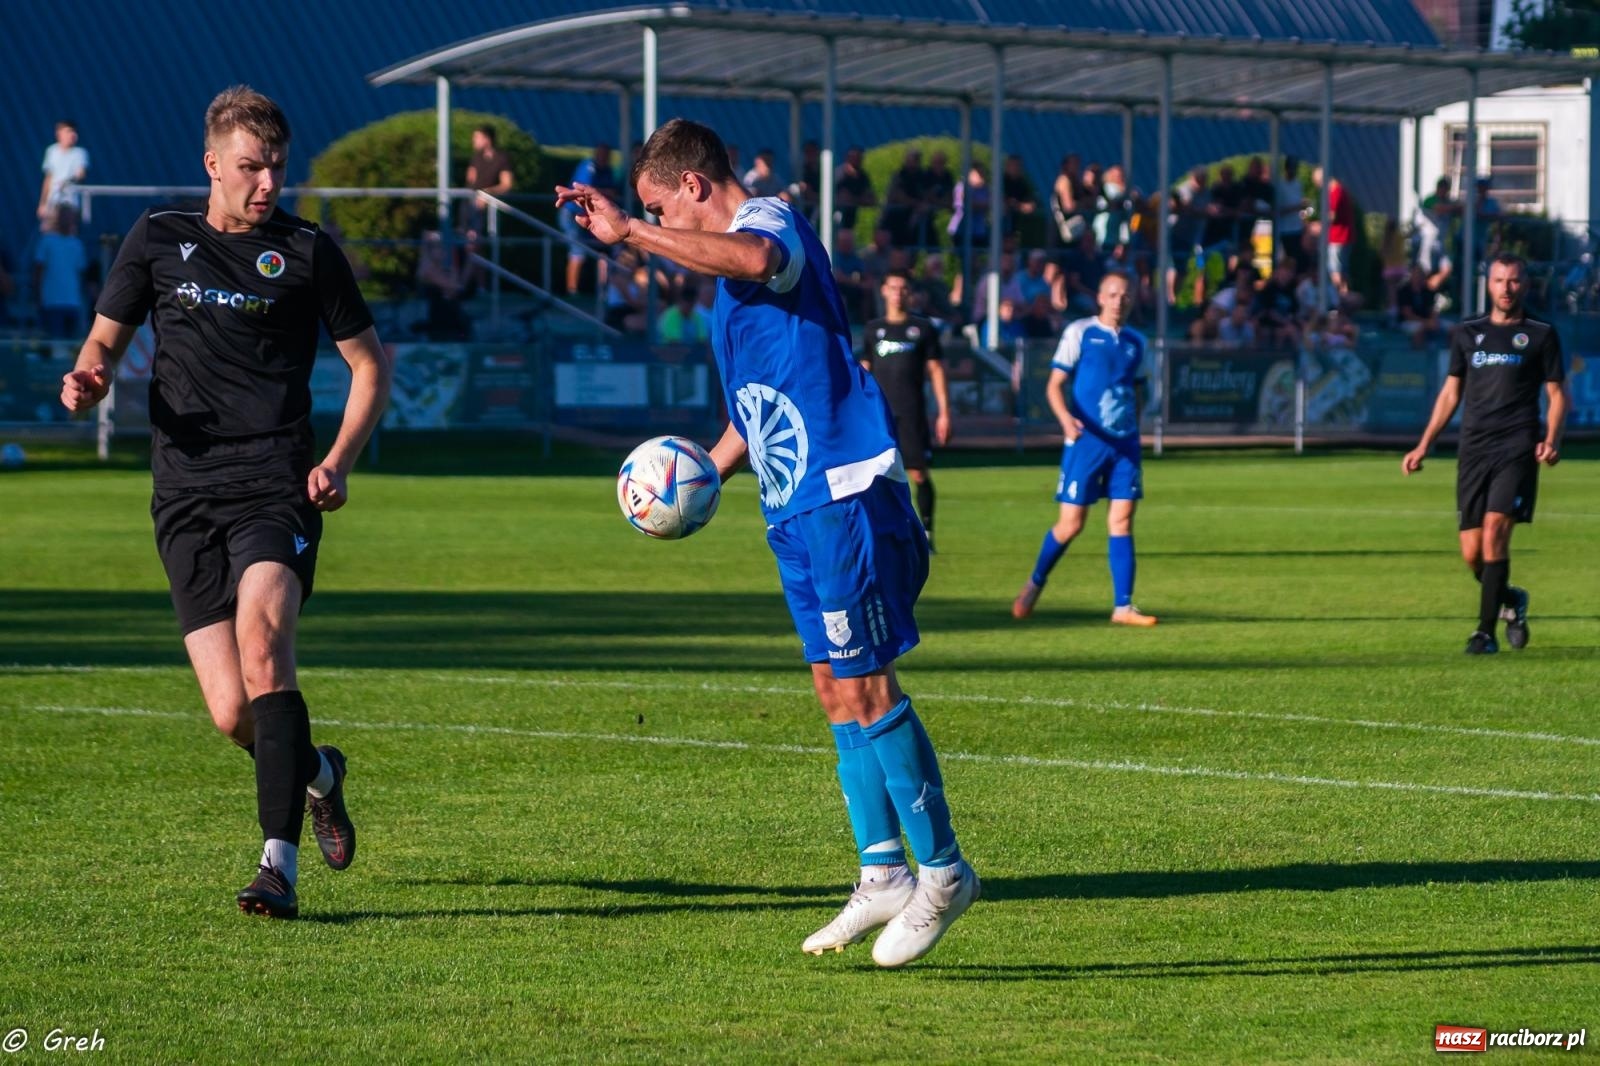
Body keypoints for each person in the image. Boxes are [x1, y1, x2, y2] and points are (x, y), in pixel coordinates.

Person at [556, 118, 978, 968]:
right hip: (792, 505)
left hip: (844, 493)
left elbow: (750, 257)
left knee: (866, 681)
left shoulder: (773, 226)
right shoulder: (730, 290)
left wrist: (630, 232)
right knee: (833, 688)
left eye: (658, 204)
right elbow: (760, 404)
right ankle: (883, 872)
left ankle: (944, 870)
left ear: (694, 187)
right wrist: (697, 473)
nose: (654, 220)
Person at [59, 86, 391, 918]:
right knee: (229, 712)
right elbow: (105, 338)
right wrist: (91, 373)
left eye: (277, 166)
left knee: (265, 645)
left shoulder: (309, 252)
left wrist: (339, 460)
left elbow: (370, 367)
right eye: (251, 167)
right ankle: (319, 773)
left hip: (276, 484)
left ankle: (275, 867)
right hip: (183, 498)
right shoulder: (158, 240)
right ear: (213, 164)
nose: (268, 182)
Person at [1401, 255, 1568, 654]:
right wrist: (1425, 443)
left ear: (1524, 285)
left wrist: (1552, 438)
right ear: (1488, 285)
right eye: (1499, 280)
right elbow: (1450, 393)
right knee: (1472, 554)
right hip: (1473, 449)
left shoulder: (1541, 334)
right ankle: (1510, 599)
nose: (1506, 288)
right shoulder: (1467, 332)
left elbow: (1557, 394)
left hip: (1517, 447)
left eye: (1513, 281)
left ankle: (1484, 633)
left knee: (1496, 532)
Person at [1013, 272, 1155, 627]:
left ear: (1132, 299)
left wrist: (1135, 427)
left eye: (1124, 295)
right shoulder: (1081, 332)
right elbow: (1054, 385)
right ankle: (1035, 582)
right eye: (1112, 294)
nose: (1118, 300)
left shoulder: (1138, 342)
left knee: (1122, 520)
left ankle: (1123, 606)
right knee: (1071, 524)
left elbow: (1140, 390)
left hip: (1124, 444)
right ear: (1100, 298)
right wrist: (1065, 421)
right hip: (1086, 442)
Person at [861, 271, 951, 549]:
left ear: (909, 294)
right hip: (879, 415)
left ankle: (926, 531)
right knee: (873, 474)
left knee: (918, 472)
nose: (898, 293)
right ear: (884, 291)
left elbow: (936, 370)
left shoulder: (922, 329)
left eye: (903, 288)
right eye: (893, 287)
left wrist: (944, 412)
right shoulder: (873, 330)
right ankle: (882, 532)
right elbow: (865, 371)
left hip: (912, 412)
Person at [563, 144, 619, 294]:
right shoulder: (587, 166)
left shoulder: (607, 170)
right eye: (601, 154)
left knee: (604, 251)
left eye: (606, 155)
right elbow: (584, 189)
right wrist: (602, 192)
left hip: (592, 217)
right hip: (573, 215)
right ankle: (572, 291)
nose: (603, 158)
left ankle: (602, 292)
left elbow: (611, 193)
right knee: (578, 251)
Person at [33, 205, 89, 338]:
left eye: (70, 217)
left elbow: (81, 273)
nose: (67, 220)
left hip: (72, 303)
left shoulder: (77, 244)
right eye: (64, 216)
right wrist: (39, 297)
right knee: (53, 344)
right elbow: (38, 271)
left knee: (70, 345)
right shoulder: (47, 241)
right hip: (51, 303)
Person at [461, 124, 514, 234]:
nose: (474, 141)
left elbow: (506, 184)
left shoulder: (502, 158)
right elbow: (470, 180)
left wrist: (487, 193)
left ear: (487, 139)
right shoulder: (476, 157)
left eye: (477, 138)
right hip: (471, 203)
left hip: (490, 207)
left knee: (481, 234)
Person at [39, 119, 88, 222]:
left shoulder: (80, 153)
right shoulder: (51, 151)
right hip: (52, 202)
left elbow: (81, 174)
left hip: (70, 203)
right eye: (69, 131)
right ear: (59, 133)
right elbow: (48, 178)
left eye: (74, 132)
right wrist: (42, 204)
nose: (72, 135)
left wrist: (69, 181)